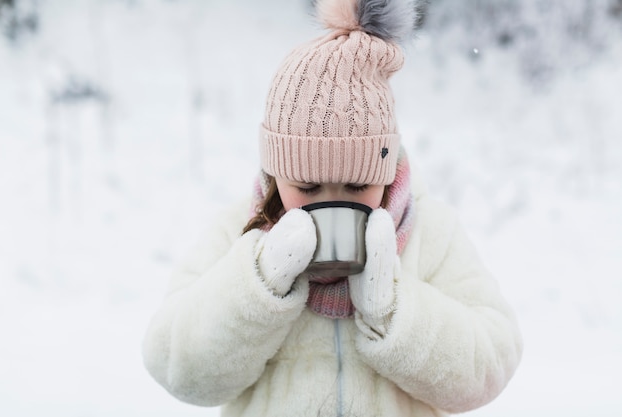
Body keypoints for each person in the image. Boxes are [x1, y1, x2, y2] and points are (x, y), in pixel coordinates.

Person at [142, 0, 523, 416]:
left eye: (358, 184)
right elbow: (175, 367)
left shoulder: (429, 232)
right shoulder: (239, 231)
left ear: (385, 171)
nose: (330, 201)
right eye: (306, 185)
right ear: (276, 173)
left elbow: (491, 364)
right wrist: (259, 285)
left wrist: (393, 309)